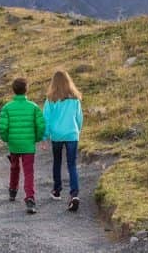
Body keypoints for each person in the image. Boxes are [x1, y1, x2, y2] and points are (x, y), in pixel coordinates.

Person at [0, 77, 46, 214]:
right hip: (28, 145)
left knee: (14, 167)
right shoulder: (34, 107)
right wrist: (36, 139)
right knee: (28, 171)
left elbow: (2, 127)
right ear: (27, 90)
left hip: (13, 143)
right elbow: (41, 126)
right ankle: (30, 198)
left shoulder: (7, 107)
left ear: (13, 90)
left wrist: (6, 139)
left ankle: (13, 190)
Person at [42, 69, 84, 212]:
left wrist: (44, 137)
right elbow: (79, 118)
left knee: (57, 161)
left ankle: (57, 190)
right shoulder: (75, 99)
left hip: (57, 135)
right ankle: (74, 194)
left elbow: (46, 119)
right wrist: (77, 130)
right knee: (72, 164)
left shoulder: (51, 99)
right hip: (72, 134)